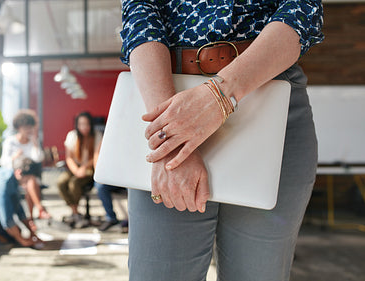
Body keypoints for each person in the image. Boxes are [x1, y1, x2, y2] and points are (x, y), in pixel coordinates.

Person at [120, 1, 324, 280]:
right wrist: (171, 137)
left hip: (269, 97)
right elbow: (140, 14)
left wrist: (219, 96)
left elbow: (300, 7)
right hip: (166, 99)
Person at [0, 109, 50, 227]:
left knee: (30, 183)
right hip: (14, 174)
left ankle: (31, 218)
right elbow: (3, 162)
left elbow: (38, 158)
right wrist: (15, 157)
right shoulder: (10, 142)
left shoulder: (32, 141)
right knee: (31, 182)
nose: (29, 130)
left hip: (29, 174)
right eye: (26, 127)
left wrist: (35, 144)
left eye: (30, 127)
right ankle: (39, 210)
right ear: (19, 127)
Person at [57, 111, 102, 228]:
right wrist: (76, 170)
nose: (84, 127)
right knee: (61, 182)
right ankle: (75, 211)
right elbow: (69, 158)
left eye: (86, 124)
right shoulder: (72, 136)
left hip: (89, 168)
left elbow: (96, 156)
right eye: (81, 124)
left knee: (74, 183)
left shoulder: (97, 135)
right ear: (77, 125)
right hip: (74, 168)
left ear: (91, 125)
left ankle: (75, 213)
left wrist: (83, 168)